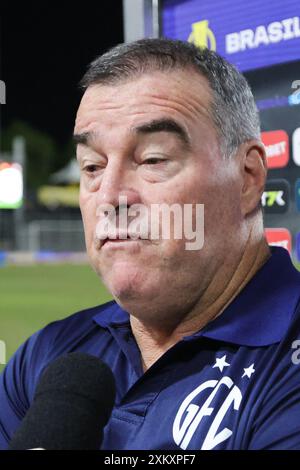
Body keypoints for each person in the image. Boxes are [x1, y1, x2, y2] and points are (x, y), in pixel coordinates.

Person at [1, 38, 300, 450]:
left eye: (153, 159)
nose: (110, 197)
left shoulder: (287, 366)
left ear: (247, 178)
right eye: (92, 166)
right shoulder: (48, 356)